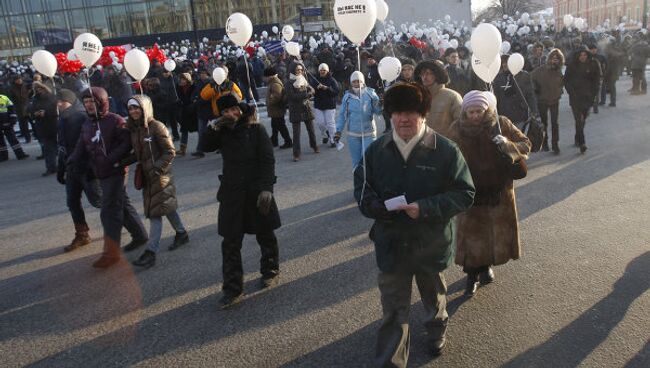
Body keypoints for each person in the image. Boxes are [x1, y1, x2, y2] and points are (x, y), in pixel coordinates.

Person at [354, 82, 475, 365]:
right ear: (390, 115)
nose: (403, 118)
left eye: (411, 112)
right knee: (394, 310)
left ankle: (436, 330)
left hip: (430, 242)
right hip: (391, 242)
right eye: (397, 112)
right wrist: (376, 208)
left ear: (423, 115)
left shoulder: (446, 150)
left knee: (434, 299)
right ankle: (392, 361)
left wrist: (425, 207)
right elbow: (362, 189)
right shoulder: (376, 150)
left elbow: (465, 193)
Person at [446, 91, 531, 296]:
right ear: (465, 111)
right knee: (471, 237)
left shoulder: (500, 123)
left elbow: (526, 144)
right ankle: (471, 276)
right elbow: (447, 155)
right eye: (471, 111)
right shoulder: (456, 128)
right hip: (470, 190)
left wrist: (507, 145)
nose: (475, 115)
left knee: (492, 234)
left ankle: (486, 268)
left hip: (498, 190)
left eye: (479, 111)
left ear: (487, 110)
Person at [200, 94, 281, 309]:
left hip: (256, 192)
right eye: (225, 111)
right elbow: (205, 145)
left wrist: (267, 189)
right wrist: (215, 126)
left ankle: (270, 270)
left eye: (234, 109)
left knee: (265, 233)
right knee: (230, 242)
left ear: (241, 109)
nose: (230, 114)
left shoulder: (256, 130)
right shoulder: (222, 131)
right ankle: (232, 288)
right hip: (231, 193)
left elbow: (267, 160)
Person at [67, 87, 149, 268]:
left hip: (115, 171)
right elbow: (81, 145)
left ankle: (111, 253)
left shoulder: (116, 120)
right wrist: (69, 163)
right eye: (86, 101)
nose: (88, 105)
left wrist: (111, 159)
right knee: (122, 204)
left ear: (101, 102)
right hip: (100, 172)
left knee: (109, 210)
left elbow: (126, 143)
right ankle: (140, 235)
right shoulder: (87, 123)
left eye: (92, 101)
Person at [125, 96, 189, 269]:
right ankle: (182, 233)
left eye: (136, 108)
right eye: (130, 109)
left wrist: (156, 169)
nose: (133, 111)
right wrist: (120, 162)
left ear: (145, 108)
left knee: (155, 213)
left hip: (160, 177)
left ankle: (150, 252)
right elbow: (138, 154)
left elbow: (170, 151)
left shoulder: (156, 126)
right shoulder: (135, 129)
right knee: (165, 206)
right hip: (147, 177)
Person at [55, 89, 101, 252]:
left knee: (99, 201)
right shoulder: (62, 119)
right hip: (71, 168)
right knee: (72, 202)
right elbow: (62, 148)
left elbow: (91, 145)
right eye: (58, 101)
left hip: (86, 169)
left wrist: (92, 168)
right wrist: (61, 169)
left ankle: (125, 223)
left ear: (72, 101)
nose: (59, 104)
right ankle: (82, 234)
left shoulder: (81, 117)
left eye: (63, 101)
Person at [335, 71, 382, 168]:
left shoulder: (371, 94)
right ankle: (359, 182)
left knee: (367, 160)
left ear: (363, 82)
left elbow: (378, 112)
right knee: (356, 162)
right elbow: (342, 115)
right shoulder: (347, 97)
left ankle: (369, 182)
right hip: (353, 134)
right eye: (354, 81)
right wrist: (338, 131)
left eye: (359, 81)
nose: (357, 84)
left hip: (369, 133)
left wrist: (380, 103)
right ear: (351, 83)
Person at [564, 46, 601, 154]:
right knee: (578, 120)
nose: (583, 57)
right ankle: (582, 143)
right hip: (575, 96)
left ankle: (577, 136)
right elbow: (566, 80)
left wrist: (594, 94)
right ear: (577, 55)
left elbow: (597, 80)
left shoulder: (594, 64)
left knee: (583, 119)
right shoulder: (572, 65)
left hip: (588, 97)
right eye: (581, 55)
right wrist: (571, 91)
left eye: (585, 55)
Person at [414, 60, 462, 138]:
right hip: (421, 145)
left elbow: (461, 123)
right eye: (422, 74)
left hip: (445, 146)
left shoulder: (452, 96)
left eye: (429, 73)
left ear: (437, 75)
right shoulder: (417, 97)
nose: (425, 77)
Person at [531, 48, 565, 153]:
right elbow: (531, 78)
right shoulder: (541, 70)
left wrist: (559, 92)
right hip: (542, 100)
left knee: (555, 123)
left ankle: (555, 144)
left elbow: (562, 83)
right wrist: (536, 89)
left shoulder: (559, 71)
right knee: (544, 123)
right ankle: (544, 143)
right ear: (549, 59)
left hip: (554, 100)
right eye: (553, 58)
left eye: (557, 59)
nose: (555, 60)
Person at [493, 54, 539, 131]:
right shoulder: (498, 78)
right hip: (504, 114)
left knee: (519, 137)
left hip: (520, 114)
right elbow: (496, 98)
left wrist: (534, 111)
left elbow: (530, 95)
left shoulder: (524, 76)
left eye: (506, 62)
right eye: (503, 62)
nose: (504, 64)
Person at [286, 62, 318, 162]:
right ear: (293, 70)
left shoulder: (303, 79)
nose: (299, 71)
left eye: (301, 69)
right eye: (297, 70)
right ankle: (296, 154)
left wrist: (311, 91)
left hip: (306, 107)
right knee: (296, 134)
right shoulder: (289, 82)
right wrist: (306, 95)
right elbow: (291, 96)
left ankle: (314, 146)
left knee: (311, 130)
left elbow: (311, 88)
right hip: (295, 109)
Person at [29, 81, 58, 176]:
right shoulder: (35, 99)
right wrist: (35, 114)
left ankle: (64, 166)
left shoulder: (51, 97)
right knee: (47, 149)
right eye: (36, 89)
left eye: (40, 88)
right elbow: (31, 111)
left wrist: (46, 113)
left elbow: (56, 110)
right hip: (42, 127)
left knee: (60, 147)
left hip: (54, 125)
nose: (38, 90)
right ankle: (51, 167)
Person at [310, 63, 340, 147]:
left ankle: (333, 140)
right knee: (320, 123)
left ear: (327, 71)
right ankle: (325, 134)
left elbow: (336, 92)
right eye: (321, 70)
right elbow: (312, 91)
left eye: (324, 70)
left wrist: (327, 88)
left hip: (329, 104)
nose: (322, 71)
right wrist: (316, 88)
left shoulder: (332, 80)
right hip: (319, 104)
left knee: (330, 123)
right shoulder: (315, 79)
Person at [263, 66, 292, 149]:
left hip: (277, 109)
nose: (265, 78)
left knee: (281, 126)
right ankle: (274, 140)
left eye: (266, 77)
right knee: (275, 126)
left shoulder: (275, 84)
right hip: (275, 110)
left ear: (270, 76)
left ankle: (288, 141)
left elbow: (277, 97)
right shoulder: (272, 82)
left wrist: (269, 102)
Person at [0, 93, 29, 162]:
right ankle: (3, 156)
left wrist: (12, 119)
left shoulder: (4, 98)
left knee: (12, 138)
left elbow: (11, 108)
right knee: (0, 141)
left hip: (6, 122)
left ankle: (20, 154)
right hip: (4, 121)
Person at [191, 69, 213, 157]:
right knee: (201, 131)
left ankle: (220, 147)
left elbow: (209, 96)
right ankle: (200, 150)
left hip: (211, 109)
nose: (202, 75)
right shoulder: (198, 83)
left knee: (216, 129)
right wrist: (193, 99)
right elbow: (194, 93)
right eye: (201, 74)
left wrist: (199, 100)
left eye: (204, 74)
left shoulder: (211, 83)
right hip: (201, 111)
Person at [176, 72, 197, 156]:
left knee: (199, 129)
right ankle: (182, 149)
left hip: (193, 111)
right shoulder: (179, 88)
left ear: (187, 80)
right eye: (181, 79)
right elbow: (180, 98)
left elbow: (193, 98)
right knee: (184, 130)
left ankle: (202, 147)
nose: (182, 81)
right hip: (184, 111)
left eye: (183, 79)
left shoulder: (193, 87)